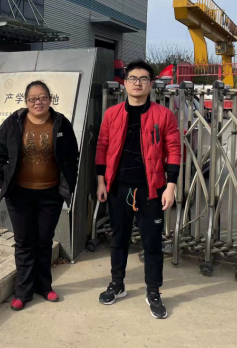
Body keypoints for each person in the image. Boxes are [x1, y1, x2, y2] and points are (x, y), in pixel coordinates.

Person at [95, 60, 181, 319]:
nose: (137, 83)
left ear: (151, 84)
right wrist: (101, 181)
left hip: (151, 190)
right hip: (118, 187)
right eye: (133, 78)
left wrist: (170, 186)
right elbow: (102, 146)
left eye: (143, 79)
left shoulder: (163, 115)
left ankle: (153, 291)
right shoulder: (112, 114)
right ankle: (117, 284)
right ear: (124, 82)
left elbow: (174, 150)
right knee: (118, 239)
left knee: (152, 243)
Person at [0, 80, 79, 311]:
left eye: (42, 97)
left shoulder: (61, 123)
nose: (37, 102)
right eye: (32, 98)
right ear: (26, 101)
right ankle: (23, 291)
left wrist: (69, 182)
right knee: (24, 242)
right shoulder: (13, 122)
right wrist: (1, 181)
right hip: (19, 194)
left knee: (44, 241)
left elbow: (72, 156)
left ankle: (44, 286)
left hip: (50, 194)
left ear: (50, 99)